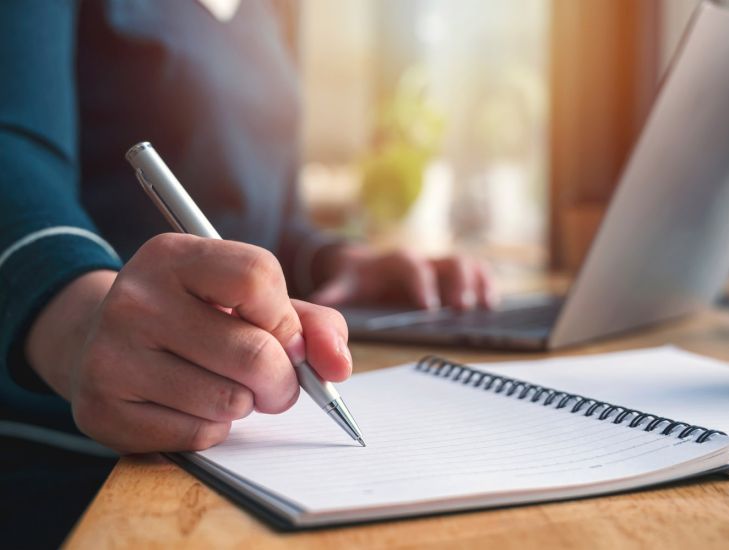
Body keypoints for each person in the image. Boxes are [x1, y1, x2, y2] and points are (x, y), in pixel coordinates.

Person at [0, 0, 494, 545]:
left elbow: (269, 217)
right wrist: (79, 326)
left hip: (235, 452)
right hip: (73, 459)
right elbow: (13, 153)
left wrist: (333, 259)